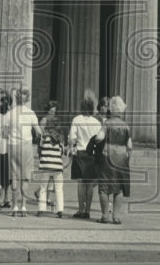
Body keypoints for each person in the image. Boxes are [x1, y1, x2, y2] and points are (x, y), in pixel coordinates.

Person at [93, 95, 132, 224]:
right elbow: (130, 146)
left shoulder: (107, 123)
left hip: (107, 155)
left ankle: (105, 215)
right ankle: (116, 216)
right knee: (119, 187)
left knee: (104, 187)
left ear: (111, 108)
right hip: (121, 157)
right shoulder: (126, 126)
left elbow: (99, 137)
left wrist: (96, 141)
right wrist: (127, 157)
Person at [5, 87, 41, 218]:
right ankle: (24, 206)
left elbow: (4, 133)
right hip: (26, 145)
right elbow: (38, 132)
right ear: (27, 98)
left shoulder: (10, 113)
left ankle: (14, 206)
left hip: (13, 145)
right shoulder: (31, 113)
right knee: (25, 177)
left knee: (14, 176)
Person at [68, 90, 103, 219]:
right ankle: (88, 210)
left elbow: (72, 138)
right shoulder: (97, 122)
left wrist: (71, 149)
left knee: (81, 183)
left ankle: (80, 209)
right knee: (90, 184)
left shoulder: (76, 120)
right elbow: (100, 139)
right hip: (92, 154)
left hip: (80, 153)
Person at [35, 100, 65, 218]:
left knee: (43, 187)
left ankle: (41, 209)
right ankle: (60, 210)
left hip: (46, 164)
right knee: (59, 188)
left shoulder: (44, 137)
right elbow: (62, 151)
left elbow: (41, 147)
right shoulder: (60, 140)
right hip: (57, 166)